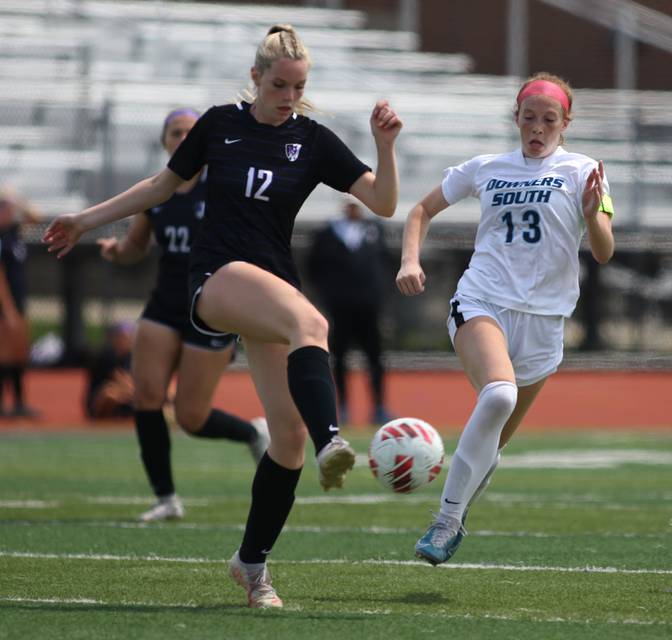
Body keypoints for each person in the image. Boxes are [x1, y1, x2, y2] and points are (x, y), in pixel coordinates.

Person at [44, 25, 401, 608]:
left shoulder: (311, 139)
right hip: (215, 278)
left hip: (271, 290)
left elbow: (383, 202)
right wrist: (86, 219)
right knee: (313, 326)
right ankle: (331, 438)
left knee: (284, 440)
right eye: (279, 83)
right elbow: (162, 186)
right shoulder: (219, 124)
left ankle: (252, 565)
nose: (288, 95)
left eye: (298, 86)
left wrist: (384, 146)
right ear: (256, 78)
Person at [396, 72, 614, 566]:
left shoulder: (585, 172)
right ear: (516, 119)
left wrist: (592, 213)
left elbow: (604, 251)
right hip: (483, 300)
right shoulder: (487, 167)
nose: (537, 128)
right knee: (499, 394)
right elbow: (419, 211)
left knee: (495, 442)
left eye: (549, 120)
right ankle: (445, 522)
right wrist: (411, 260)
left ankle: (456, 514)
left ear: (566, 123)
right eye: (529, 118)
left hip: (545, 321)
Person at [96, 107, 271, 523]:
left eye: (189, 132)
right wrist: (115, 252)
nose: (181, 138)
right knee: (147, 397)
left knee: (192, 416)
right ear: (164, 142)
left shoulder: (222, 188)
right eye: (174, 132)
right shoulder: (156, 193)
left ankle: (251, 432)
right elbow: (137, 246)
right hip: (164, 304)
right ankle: (166, 498)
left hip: (210, 307)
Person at [307, 199, 393, 425]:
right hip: (339, 306)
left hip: (369, 305)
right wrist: (327, 294)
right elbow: (313, 267)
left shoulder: (374, 230)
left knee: (375, 357)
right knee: (339, 357)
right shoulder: (327, 233)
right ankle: (343, 406)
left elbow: (386, 263)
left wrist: (380, 294)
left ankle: (379, 406)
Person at [0, 185, 42, 418]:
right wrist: (8, 311)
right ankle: (7, 403)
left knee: (18, 354)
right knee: (4, 354)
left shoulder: (14, 232)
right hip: (6, 306)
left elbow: (36, 217)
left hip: (19, 301)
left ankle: (18, 403)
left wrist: (17, 200)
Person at [84, 321, 135, 419]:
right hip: (98, 398)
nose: (124, 340)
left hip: (126, 395)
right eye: (121, 337)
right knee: (110, 394)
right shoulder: (106, 357)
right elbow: (121, 379)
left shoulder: (132, 357)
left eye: (128, 337)